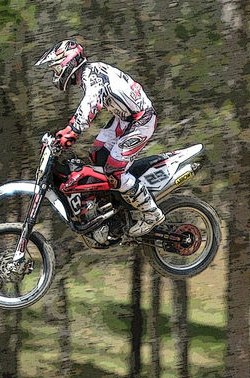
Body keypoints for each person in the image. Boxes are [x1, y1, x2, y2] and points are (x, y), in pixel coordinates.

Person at [35, 39, 165, 237]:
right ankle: (113, 210)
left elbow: (87, 111)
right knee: (98, 155)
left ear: (67, 61)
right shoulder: (91, 73)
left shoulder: (94, 78)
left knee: (114, 170)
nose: (56, 74)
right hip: (124, 119)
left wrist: (68, 135)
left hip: (141, 120)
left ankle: (152, 213)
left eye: (56, 68)